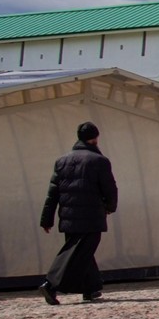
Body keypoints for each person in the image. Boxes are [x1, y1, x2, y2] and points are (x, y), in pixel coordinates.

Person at [39, 121, 118, 305]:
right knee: (76, 253)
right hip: (91, 216)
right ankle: (50, 284)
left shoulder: (62, 161)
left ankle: (90, 288)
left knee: (82, 251)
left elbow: (53, 192)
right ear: (96, 138)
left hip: (68, 216)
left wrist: (47, 218)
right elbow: (110, 188)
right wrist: (110, 207)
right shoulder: (99, 161)